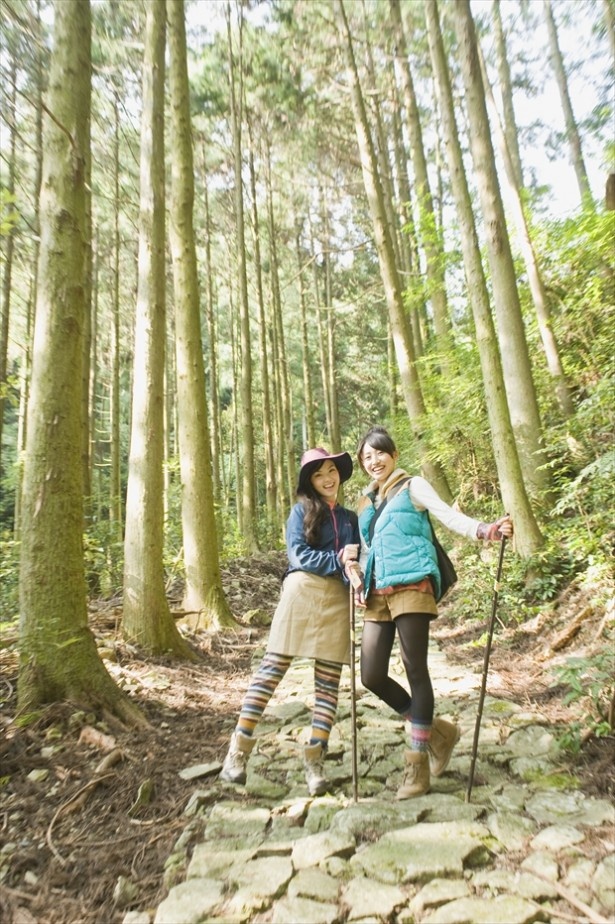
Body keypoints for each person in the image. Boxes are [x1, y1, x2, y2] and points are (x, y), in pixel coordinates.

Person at [355, 426, 513, 799]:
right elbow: (365, 549)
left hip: (413, 584)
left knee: (415, 670)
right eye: (367, 457)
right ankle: (439, 732)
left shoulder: (413, 487)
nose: (374, 461)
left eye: (379, 453)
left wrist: (487, 530)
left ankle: (417, 767)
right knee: (371, 675)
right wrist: (356, 576)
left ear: (393, 454)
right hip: (377, 591)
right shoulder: (366, 503)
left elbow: (447, 516)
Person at [220, 447, 362, 796]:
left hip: (337, 600)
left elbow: (358, 557)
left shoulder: (350, 519)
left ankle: (315, 758)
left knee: (328, 683)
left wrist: (357, 573)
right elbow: (299, 554)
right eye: (318, 474)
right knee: (272, 669)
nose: (328, 478)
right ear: (309, 482)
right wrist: (339, 560)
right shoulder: (301, 512)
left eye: (332, 471)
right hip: (301, 590)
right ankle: (237, 752)